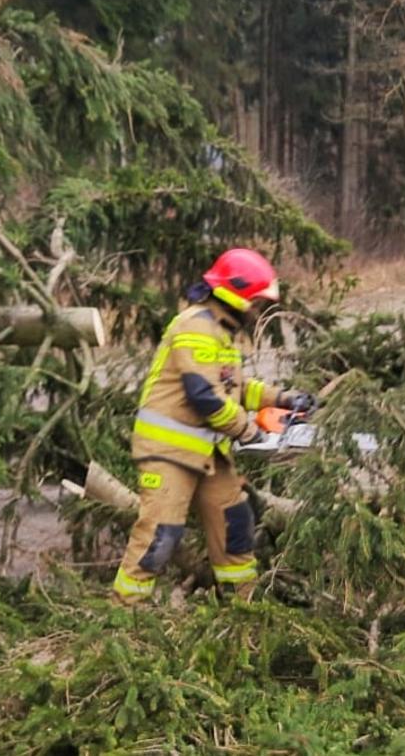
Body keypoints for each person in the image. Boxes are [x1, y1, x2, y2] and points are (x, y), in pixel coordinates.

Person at [111, 248, 316, 602]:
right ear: (234, 295)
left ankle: (242, 608)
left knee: (235, 527)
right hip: (169, 452)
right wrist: (250, 432)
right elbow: (204, 396)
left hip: (209, 452)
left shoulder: (221, 331)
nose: (257, 310)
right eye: (255, 302)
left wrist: (282, 399)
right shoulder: (196, 327)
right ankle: (123, 616)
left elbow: (233, 388)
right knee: (161, 536)